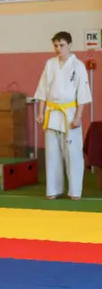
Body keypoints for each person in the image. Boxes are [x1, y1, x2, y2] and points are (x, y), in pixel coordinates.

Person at [35, 31, 92, 200]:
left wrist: (78, 117)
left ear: (69, 45)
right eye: (56, 46)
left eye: (62, 45)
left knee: (72, 154)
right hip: (52, 113)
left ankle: (75, 191)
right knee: (52, 154)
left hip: (69, 114)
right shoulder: (50, 64)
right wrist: (40, 113)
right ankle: (53, 189)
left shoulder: (78, 65)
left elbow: (82, 94)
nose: (58, 49)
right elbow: (42, 89)